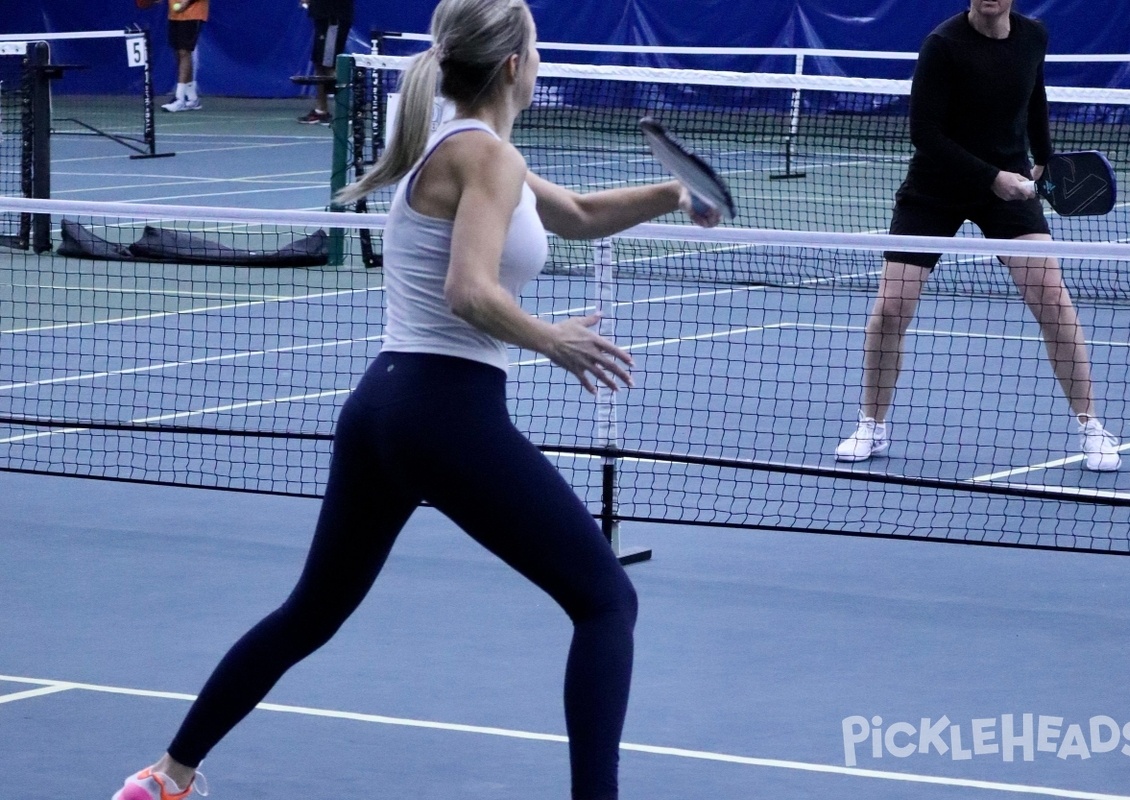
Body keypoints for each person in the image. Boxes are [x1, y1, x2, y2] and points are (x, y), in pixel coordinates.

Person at [111, 1, 719, 799]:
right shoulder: (485, 158)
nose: (540, 61)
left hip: (381, 412)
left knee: (311, 613)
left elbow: (572, 216)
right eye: (535, 48)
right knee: (606, 600)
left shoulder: (468, 146)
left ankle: (166, 778)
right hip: (446, 413)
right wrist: (553, 340)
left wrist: (674, 194)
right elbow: (467, 291)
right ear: (512, 66)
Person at [834, 0, 1121, 472]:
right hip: (935, 189)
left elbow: (1035, 96)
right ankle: (871, 424)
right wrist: (992, 177)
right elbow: (924, 133)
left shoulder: (1033, 36)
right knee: (889, 311)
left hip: (1007, 192)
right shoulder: (942, 46)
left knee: (1052, 299)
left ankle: (1091, 426)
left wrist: (1045, 157)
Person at [297, 0, 353, 124]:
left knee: (328, 64)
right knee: (319, 62)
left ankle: (345, 112)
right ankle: (321, 111)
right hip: (322, 17)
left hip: (333, 18)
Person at [161, 0, 208, 113]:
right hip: (175, 15)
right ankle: (192, 98)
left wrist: (185, 2)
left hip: (193, 13)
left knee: (184, 52)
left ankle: (179, 99)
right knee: (178, 54)